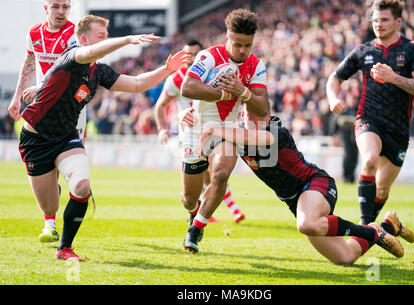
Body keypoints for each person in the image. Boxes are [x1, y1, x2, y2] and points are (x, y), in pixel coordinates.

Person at [10, 15, 188, 261]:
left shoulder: (99, 71)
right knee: (50, 207)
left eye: (107, 35)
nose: (106, 39)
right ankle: (53, 188)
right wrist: (127, 39)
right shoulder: (73, 57)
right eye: (101, 36)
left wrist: (166, 70)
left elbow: (136, 84)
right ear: (83, 40)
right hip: (36, 140)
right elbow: (92, 51)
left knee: (82, 186)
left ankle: (65, 248)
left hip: (66, 138)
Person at [198, 104, 412, 264]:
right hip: (296, 203)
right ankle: (385, 226)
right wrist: (193, 121)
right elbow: (217, 151)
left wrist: (213, 129)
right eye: (249, 117)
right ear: (242, 116)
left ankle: (371, 233)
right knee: (345, 258)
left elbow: (253, 138)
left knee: (306, 224)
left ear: (268, 115)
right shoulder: (237, 135)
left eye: (261, 117)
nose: (256, 122)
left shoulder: (275, 132)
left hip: (316, 184)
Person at [326, 0, 414, 233]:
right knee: (370, 159)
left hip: (399, 130)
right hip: (368, 119)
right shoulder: (364, 50)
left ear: (398, 22)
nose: (379, 25)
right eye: (375, 21)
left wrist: (393, 77)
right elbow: (335, 77)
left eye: (384, 20)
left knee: (382, 190)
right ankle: (365, 228)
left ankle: (380, 228)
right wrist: (333, 99)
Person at [180, 8, 269, 253]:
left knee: (221, 173)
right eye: (237, 44)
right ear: (227, 37)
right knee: (189, 197)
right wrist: (223, 93)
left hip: (227, 128)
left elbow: (262, 107)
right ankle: (193, 212)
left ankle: (196, 230)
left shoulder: (256, 65)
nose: (242, 50)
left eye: (247, 45)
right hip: (196, 129)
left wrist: (244, 92)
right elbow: (187, 87)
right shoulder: (209, 57)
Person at [8, 0, 84, 244]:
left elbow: (70, 69)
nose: (61, 12)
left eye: (65, 7)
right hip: (42, 106)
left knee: (66, 157)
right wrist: (17, 96)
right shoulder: (35, 32)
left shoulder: (74, 33)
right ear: (46, 8)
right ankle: (49, 224)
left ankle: (59, 196)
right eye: (56, 6)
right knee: (43, 160)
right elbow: (29, 63)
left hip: (71, 107)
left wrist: (40, 87)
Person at [155, 40, 245, 224]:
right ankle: (201, 210)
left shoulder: (214, 74)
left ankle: (224, 211)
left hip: (212, 130)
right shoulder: (177, 79)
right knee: (203, 178)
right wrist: (163, 129)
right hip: (189, 133)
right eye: (187, 54)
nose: (191, 58)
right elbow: (160, 105)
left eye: (195, 54)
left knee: (216, 171)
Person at [331, 94, 359, 183]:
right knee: (347, 156)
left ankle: (352, 177)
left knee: (355, 157)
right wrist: (334, 135)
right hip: (345, 137)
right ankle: (345, 176)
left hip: (356, 138)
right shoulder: (343, 111)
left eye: (354, 99)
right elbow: (334, 122)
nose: (353, 101)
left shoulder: (357, 111)